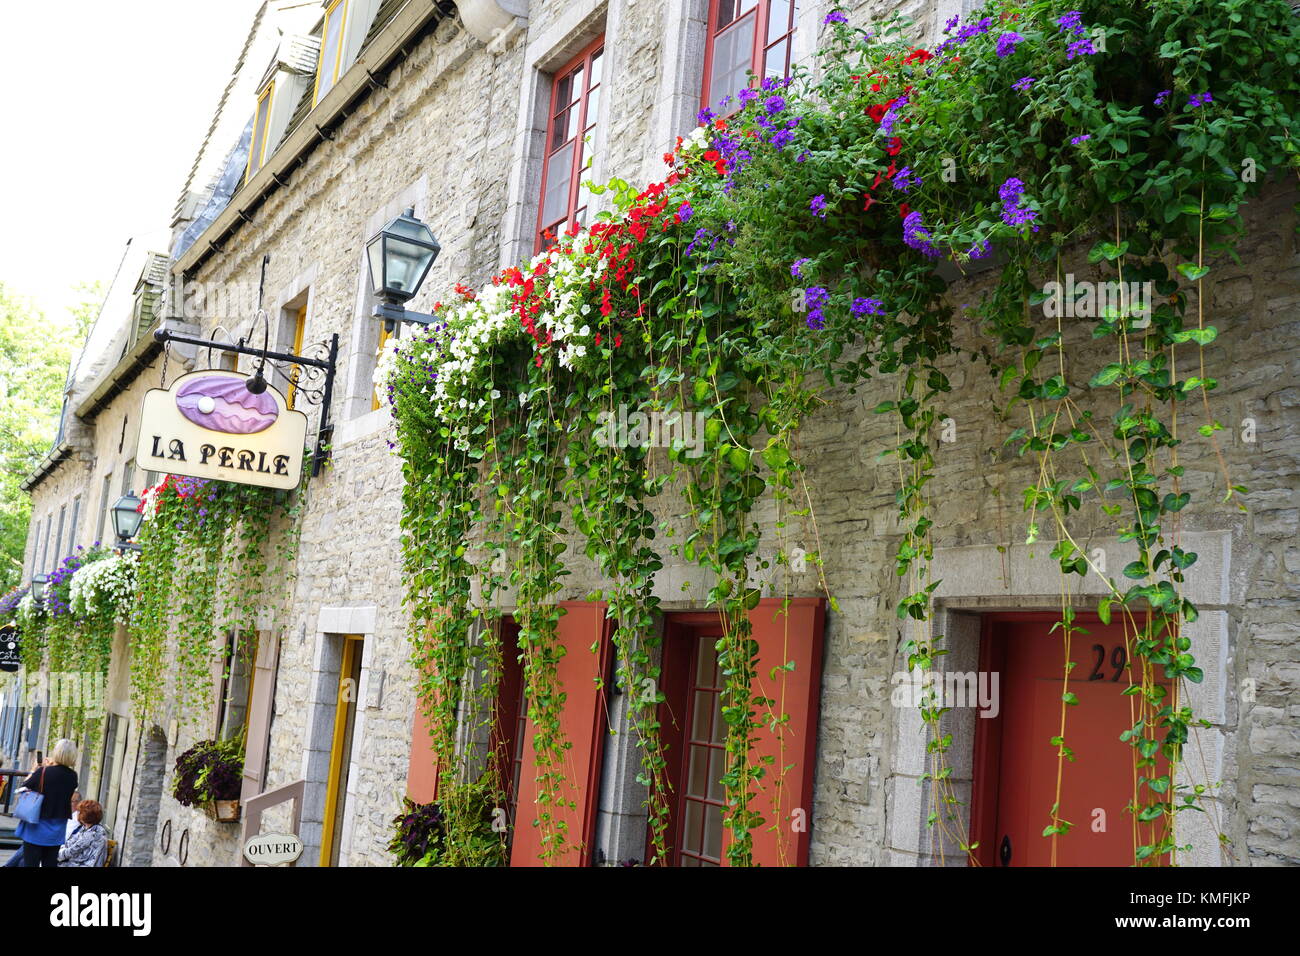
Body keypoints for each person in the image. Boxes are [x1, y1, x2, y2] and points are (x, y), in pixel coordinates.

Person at [15, 739, 79, 867]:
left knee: (30, 863)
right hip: (57, 827)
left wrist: (35, 769)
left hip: (36, 823)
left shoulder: (43, 772)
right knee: (50, 864)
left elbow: (25, 786)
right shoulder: (73, 776)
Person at [58, 800, 108, 867]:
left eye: (79, 812)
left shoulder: (93, 833)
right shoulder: (87, 828)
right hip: (78, 862)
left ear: (86, 815)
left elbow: (72, 851)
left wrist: (55, 853)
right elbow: (70, 842)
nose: (77, 814)